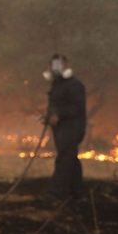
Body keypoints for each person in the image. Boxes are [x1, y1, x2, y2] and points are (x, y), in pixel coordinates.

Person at [43, 54, 87, 200]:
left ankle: (55, 192)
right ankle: (78, 192)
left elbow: (77, 108)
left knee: (64, 158)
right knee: (70, 158)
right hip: (61, 129)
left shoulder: (75, 85)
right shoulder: (56, 86)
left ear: (66, 66)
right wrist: (49, 116)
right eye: (53, 65)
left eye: (59, 65)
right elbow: (54, 105)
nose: (55, 69)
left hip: (73, 128)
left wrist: (59, 115)